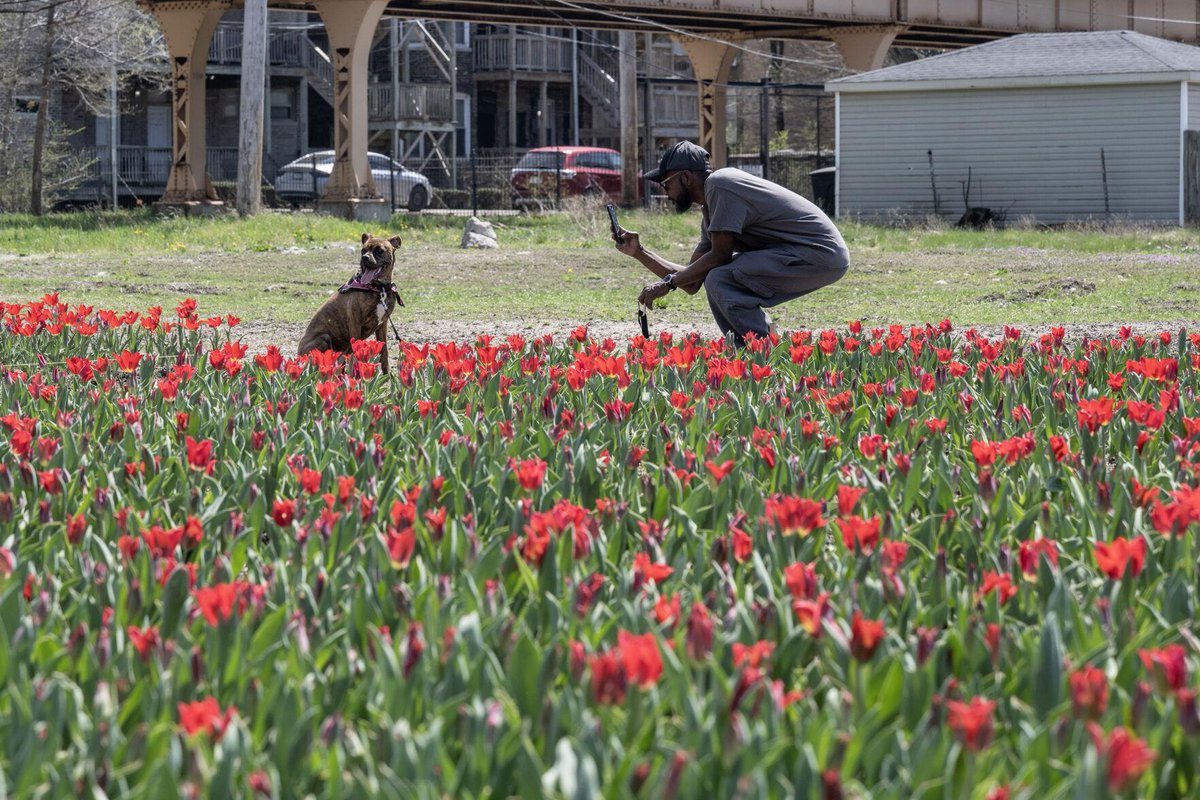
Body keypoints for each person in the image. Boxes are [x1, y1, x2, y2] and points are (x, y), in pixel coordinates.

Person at [613, 141, 849, 346]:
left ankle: (760, 352)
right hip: (806, 255)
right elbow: (692, 281)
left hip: (820, 252)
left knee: (720, 277)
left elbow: (720, 257)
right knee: (716, 276)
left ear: (685, 177)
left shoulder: (720, 184)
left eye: (666, 184)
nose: (666, 193)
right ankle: (755, 347)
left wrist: (667, 285)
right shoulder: (711, 211)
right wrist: (640, 252)